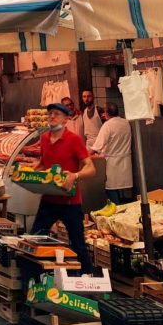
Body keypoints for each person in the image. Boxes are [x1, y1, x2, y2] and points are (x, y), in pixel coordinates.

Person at [31, 102, 96, 273]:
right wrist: (29, 172)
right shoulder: (44, 139)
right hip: (49, 200)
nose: (52, 117)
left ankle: (87, 281)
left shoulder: (74, 140)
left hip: (70, 202)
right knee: (35, 238)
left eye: (57, 114)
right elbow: (44, 163)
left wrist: (75, 175)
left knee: (78, 244)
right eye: (50, 113)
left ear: (66, 119)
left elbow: (91, 168)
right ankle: (34, 280)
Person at [90, 102, 132, 204]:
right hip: (126, 160)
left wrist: (86, 155)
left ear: (106, 113)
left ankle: (117, 209)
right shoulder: (126, 122)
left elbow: (97, 146)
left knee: (111, 188)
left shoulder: (107, 125)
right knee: (122, 188)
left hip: (112, 163)